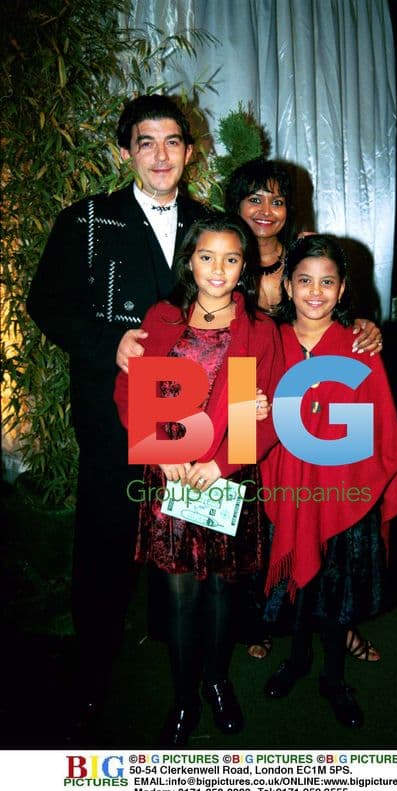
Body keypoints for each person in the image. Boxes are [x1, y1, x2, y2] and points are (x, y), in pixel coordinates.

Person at [26, 94, 209, 724]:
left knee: (192, 541)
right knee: (104, 543)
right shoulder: (86, 221)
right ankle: (94, 671)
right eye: (146, 142)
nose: (160, 155)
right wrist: (111, 342)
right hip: (113, 416)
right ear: (127, 150)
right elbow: (45, 303)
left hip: (195, 421)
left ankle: (199, 676)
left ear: (189, 150)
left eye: (172, 142)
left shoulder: (210, 224)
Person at [114, 214, 284, 746]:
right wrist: (163, 456)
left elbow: (270, 410)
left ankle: (217, 681)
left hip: (222, 479)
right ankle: (184, 699)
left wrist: (221, 467)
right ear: (190, 259)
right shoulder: (163, 319)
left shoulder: (258, 329)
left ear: (245, 267)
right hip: (170, 477)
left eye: (231, 259)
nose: (218, 269)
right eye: (207, 257)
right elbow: (128, 394)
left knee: (220, 595)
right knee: (181, 594)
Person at [225, 159, 384, 661]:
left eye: (277, 199)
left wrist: (364, 327)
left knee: (324, 504)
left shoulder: (304, 253)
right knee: (255, 518)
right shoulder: (223, 253)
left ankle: (339, 626)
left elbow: (332, 303)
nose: (266, 210)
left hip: (306, 404)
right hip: (244, 393)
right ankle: (266, 619)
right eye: (254, 198)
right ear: (235, 206)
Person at [259, 235, 397, 728]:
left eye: (327, 282)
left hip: (345, 490)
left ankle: (334, 676)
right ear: (288, 284)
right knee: (302, 584)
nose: (315, 292)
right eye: (304, 280)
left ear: (343, 289)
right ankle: (298, 659)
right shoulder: (268, 340)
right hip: (286, 484)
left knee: (336, 586)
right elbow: (243, 413)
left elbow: (379, 428)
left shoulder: (358, 347)